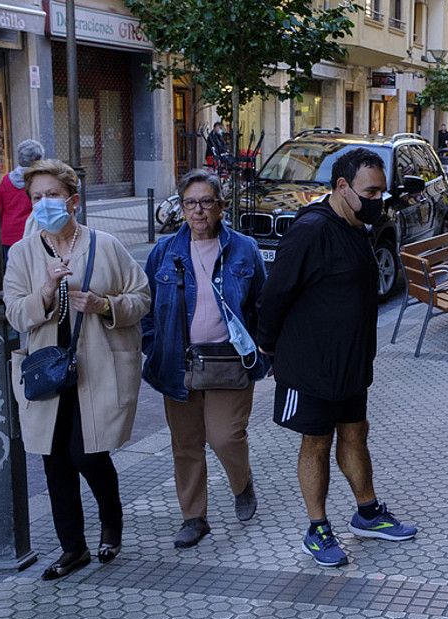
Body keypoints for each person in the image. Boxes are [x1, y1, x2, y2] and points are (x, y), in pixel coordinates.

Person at [255, 147, 418, 568]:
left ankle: (367, 513)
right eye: (371, 191)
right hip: (310, 366)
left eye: (382, 191)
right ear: (343, 187)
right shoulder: (310, 231)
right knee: (317, 442)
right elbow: (275, 295)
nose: (378, 199)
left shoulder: (357, 226)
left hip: (350, 365)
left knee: (355, 433)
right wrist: (268, 346)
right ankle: (318, 528)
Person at [3, 160, 151, 580]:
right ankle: (73, 548)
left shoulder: (105, 245)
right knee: (55, 462)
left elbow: (141, 297)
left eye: (52, 195)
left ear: (72, 199)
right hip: (47, 373)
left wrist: (104, 305)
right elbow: (15, 314)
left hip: (97, 368)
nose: (44, 204)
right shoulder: (22, 253)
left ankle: (111, 522)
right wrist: (47, 290)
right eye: (36, 197)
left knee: (88, 454)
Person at [142, 169, 269, 549]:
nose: (198, 211)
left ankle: (242, 484)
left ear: (221, 206)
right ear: (181, 208)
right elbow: (146, 307)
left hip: (229, 362)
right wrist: (154, 344)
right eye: (190, 203)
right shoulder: (164, 252)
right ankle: (194, 517)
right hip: (179, 363)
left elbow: (262, 303)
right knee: (186, 443)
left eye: (206, 202)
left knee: (225, 436)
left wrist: (262, 346)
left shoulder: (243, 248)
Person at [0, 139, 44, 262]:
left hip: (8, 235)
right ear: (38, 160)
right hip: (32, 233)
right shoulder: (39, 181)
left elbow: (0, 209)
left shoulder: (6, 180)